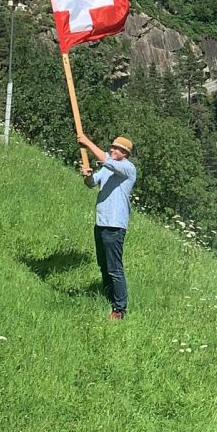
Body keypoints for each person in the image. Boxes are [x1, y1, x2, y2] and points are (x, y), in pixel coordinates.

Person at [77, 131, 136, 319]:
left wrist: (86, 141)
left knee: (114, 267)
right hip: (101, 222)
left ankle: (120, 308)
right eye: (111, 147)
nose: (112, 149)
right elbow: (91, 183)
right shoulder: (107, 168)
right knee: (103, 264)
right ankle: (109, 297)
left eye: (116, 148)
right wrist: (87, 176)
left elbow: (104, 158)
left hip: (115, 225)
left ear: (125, 153)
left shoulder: (128, 168)